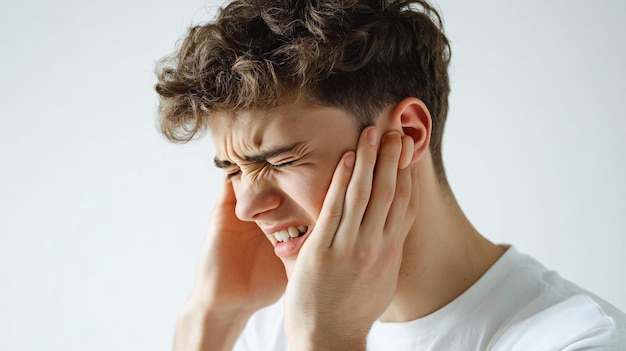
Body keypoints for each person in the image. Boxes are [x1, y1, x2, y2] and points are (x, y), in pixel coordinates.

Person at [155, 0, 626, 350]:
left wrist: (329, 341)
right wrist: (213, 319)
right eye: (233, 170)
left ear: (408, 133)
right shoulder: (264, 330)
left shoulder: (579, 339)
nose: (246, 206)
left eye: (279, 161)